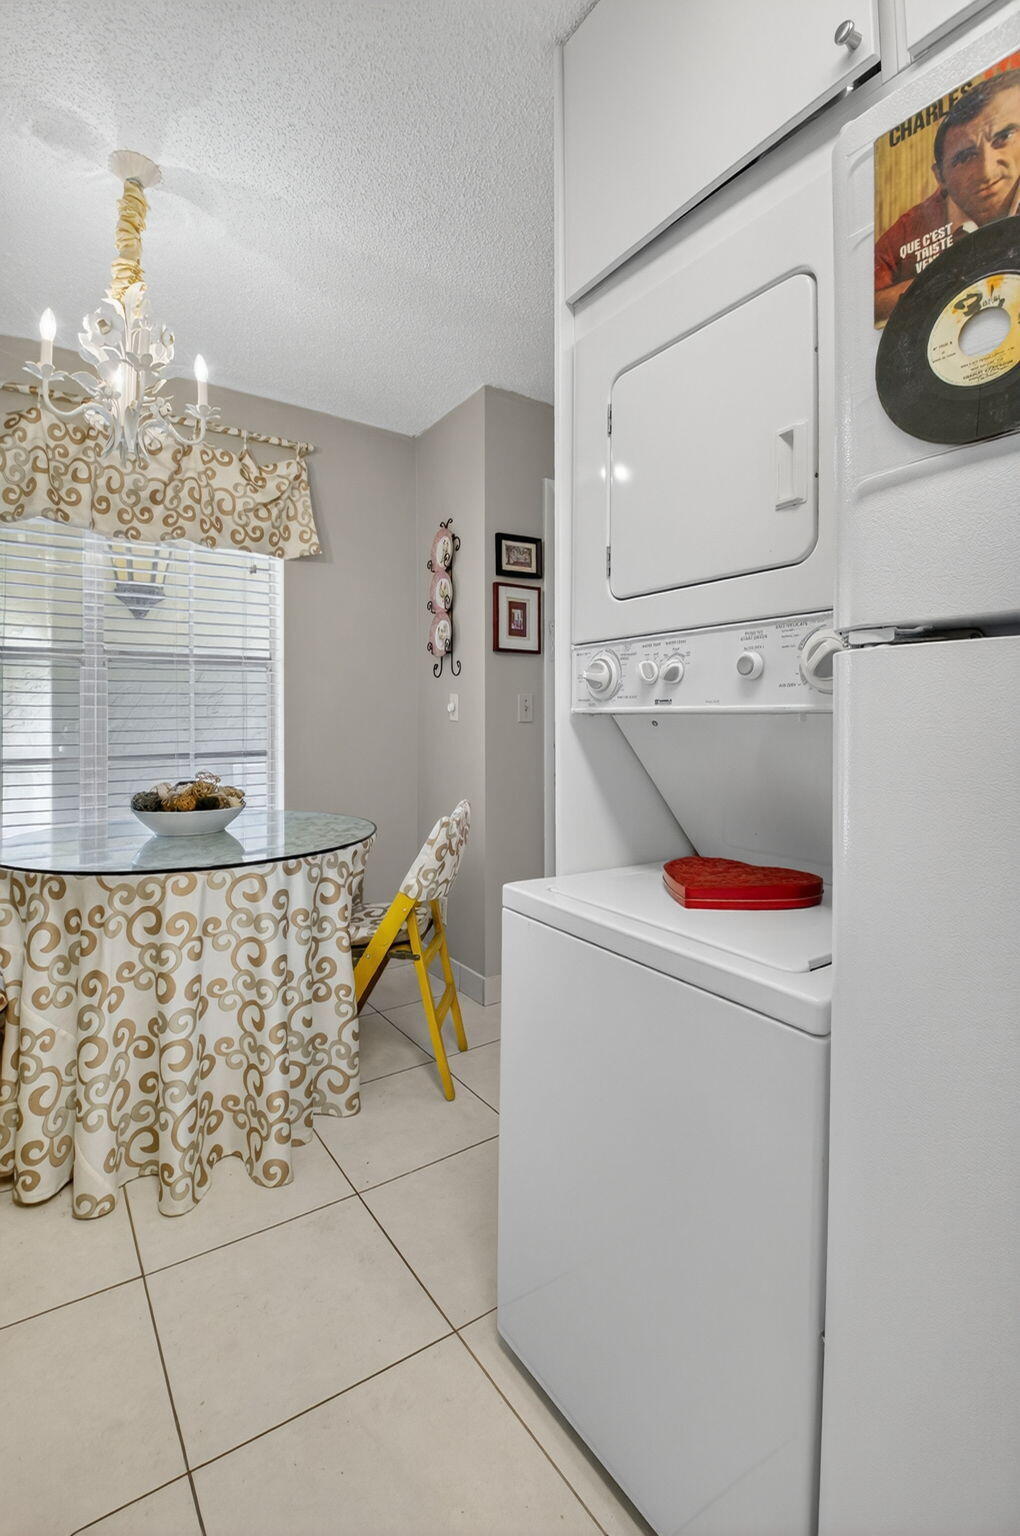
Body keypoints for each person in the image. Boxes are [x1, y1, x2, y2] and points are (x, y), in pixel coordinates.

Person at [875, 69, 1020, 323]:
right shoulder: (912, 226)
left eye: (1004, 137)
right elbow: (863, 305)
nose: (987, 171)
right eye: (965, 157)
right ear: (940, 177)